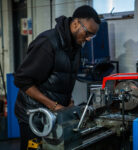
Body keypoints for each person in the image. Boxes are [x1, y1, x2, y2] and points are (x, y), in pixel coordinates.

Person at [14, 5, 100, 150]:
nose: (89, 39)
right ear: (76, 23)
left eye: (92, 35)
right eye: (88, 33)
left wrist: (69, 101)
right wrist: (53, 105)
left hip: (54, 114)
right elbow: (22, 80)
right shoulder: (47, 43)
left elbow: (65, 77)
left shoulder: (76, 46)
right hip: (34, 115)